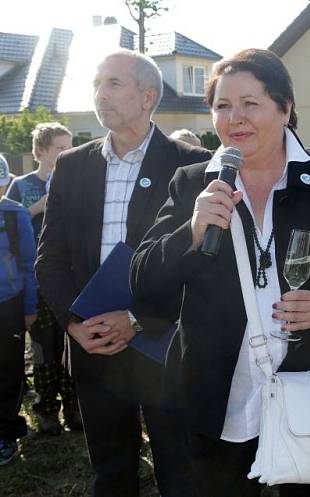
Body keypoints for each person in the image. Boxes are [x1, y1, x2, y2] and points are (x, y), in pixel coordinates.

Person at [129, 48, 310, 497]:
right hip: (214, 399)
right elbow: (144, 284)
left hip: (308, 392)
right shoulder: (192, 182)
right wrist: (191, 234)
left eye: (251, 103)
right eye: (222, 106)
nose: (236, 118)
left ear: (285, 107)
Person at [35, 49, 211, 497]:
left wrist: (138, 320)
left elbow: (205, 264)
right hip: (93, 342)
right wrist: (74, 324)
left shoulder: (190, 164)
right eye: (96, 83)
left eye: (113, 83)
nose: (99, 94)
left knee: (180, 471)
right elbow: (50, 258)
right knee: (111, 474)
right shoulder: (72, 166)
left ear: (148, 96)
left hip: (166, 344)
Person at [7, 122, 79, 435]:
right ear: (40, 152)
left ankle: (75, 408)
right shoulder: (21, 185)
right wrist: (37, 207)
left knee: (72, 344)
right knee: (43, 348)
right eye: (60, 148)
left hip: (71, 276)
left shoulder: (77, 180)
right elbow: (8, 222)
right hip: (37, 281)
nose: (68, 153)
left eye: (70, 146)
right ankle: (47, 409)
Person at [0, 154, 37, 466]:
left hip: (8, 306)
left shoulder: (15, 214)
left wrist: (29, 307)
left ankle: (6, 432)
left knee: (8, 370)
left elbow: (29, 264)